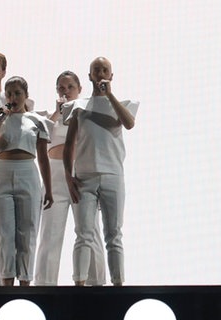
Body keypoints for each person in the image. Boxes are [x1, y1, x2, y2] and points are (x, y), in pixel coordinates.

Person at [63, 57, 139, 286]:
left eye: (105, 70)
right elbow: (69, 144)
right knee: (83, 233)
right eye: (96, 70)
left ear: (111, 75)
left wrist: (110, 95)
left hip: (113, 175)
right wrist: (68, 176)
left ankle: (118, 284)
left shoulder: (124, 103)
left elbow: (129, 123)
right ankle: (79, 283)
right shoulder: (79, 105)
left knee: (114, 234)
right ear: (90, 76)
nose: (101, 73)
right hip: (85, 177)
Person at [35, 71, 106, 286]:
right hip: (55, 175)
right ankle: (45, 285)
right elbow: (40, 135)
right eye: (61, 88)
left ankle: (96, 283)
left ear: (79, 89)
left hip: (80, 173)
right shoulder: (49, 117)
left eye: (70, 87)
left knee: (89, 230)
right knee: (50, 233)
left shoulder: (86, 113)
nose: (65, 92)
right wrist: (57, 114)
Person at [0, 76, 53, 286]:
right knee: (3, 233)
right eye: (10, 93)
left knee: (28, 231)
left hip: (27, 173)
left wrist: (48, 189)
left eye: (17, 93)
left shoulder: (36, 120)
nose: (13, 98)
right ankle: (6, 285)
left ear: (26, 96)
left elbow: (43, 157)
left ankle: (25, 285)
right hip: (2, 173)